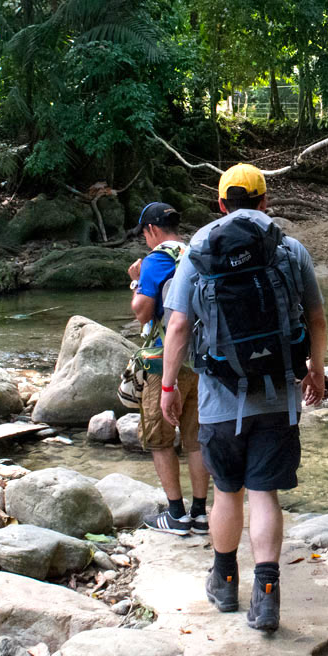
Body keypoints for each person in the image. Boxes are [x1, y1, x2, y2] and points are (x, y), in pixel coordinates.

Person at [157, 164, 327, 633]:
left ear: (220, 204)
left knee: (227, 492)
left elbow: (177, 327)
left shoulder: (199, 251)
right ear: (265, 203)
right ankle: (268, 597)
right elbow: (315, 318)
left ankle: (225, 582)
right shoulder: (290, 250)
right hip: (278, 397)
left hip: (218, 397)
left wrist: (169, 387)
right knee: (264, 493)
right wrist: (316, 370)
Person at [127, 201, 210, 535]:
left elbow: (142, 313)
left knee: (160, 439)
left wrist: (135, 281)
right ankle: (201, 513)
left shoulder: (156, 259)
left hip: (164, 362)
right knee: (196, 440)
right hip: (200, 359)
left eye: (143, 234)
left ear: (151, 230)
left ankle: (176, 514)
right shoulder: (195, 254)